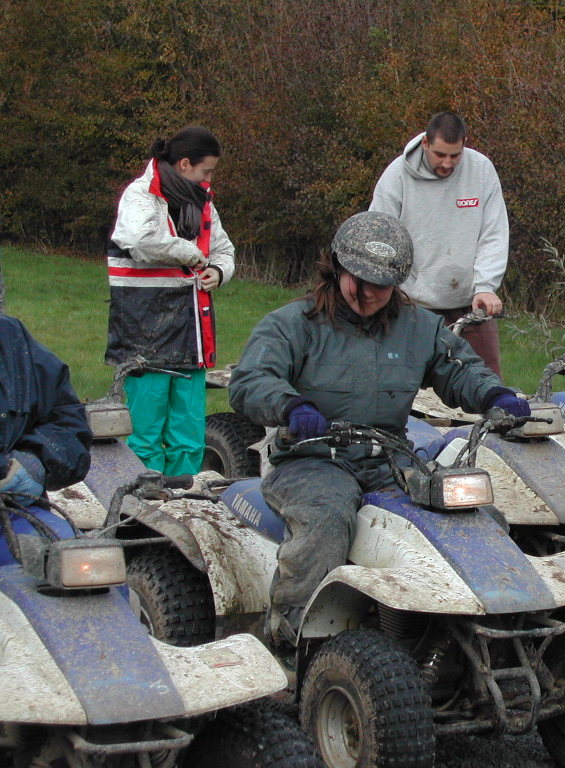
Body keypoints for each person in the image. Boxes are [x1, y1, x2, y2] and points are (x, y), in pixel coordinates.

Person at [228, 211, 529, 648]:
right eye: (360, 281)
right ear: (337, 268)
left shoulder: (419, 327)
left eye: (382, 285)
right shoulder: (293, 324)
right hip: (310, 461)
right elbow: (250, 380)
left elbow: (460, 369)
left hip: (389, 459)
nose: (370, 295)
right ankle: (293, 635)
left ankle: (469, 631)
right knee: (326, 518)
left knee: (473, 515)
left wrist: (494, 396)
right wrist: (292, 405)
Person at [105, 126, 235, 475]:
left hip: (191, 338)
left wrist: (219, 271)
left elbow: (223, 249)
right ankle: (143, 506)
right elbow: (139, 239)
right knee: (145, 435)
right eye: (206, 171)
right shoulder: (141, 196)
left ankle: (186, 504)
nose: (208, 178)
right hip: (142, 335)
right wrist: (191, 253)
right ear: (184, 164)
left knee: (188, 435)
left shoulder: (204, 202)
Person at [369, 111, 509, 377]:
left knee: (487, 384)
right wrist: (384, 289)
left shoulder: (481, 170)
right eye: (439, 155)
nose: (447, 163)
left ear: (464, 144)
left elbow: (494, 233)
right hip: (411, 303)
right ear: (425, 143)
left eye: (455, 155)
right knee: (406, 387)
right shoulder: (397, 176)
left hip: (470, 304)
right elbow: (379, 236)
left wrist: (486, 287)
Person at [0, 314, 92, 564]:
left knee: (84, 570)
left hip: (9, 513)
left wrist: (34, 464)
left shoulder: (9, 336)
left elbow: (66, 417)